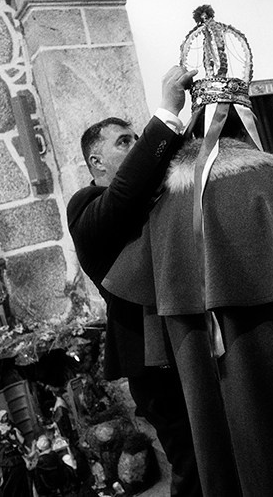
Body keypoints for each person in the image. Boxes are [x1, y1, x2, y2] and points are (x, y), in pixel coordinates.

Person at [102, 6, 273, 497]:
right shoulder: (267, 176)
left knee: (227, 460)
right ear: (244, 119)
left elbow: (151, 300)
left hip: (200, 368)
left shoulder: (165, 195)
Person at [66, 66, 202, 497]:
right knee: (192, 464)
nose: (137, 147)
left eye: (135, 139)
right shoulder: (86, 205)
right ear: (96, 162)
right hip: (153, 358)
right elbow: (123, 194)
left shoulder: (151, 193)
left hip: (192, 339)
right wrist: (165, 112)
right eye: (125, 142)